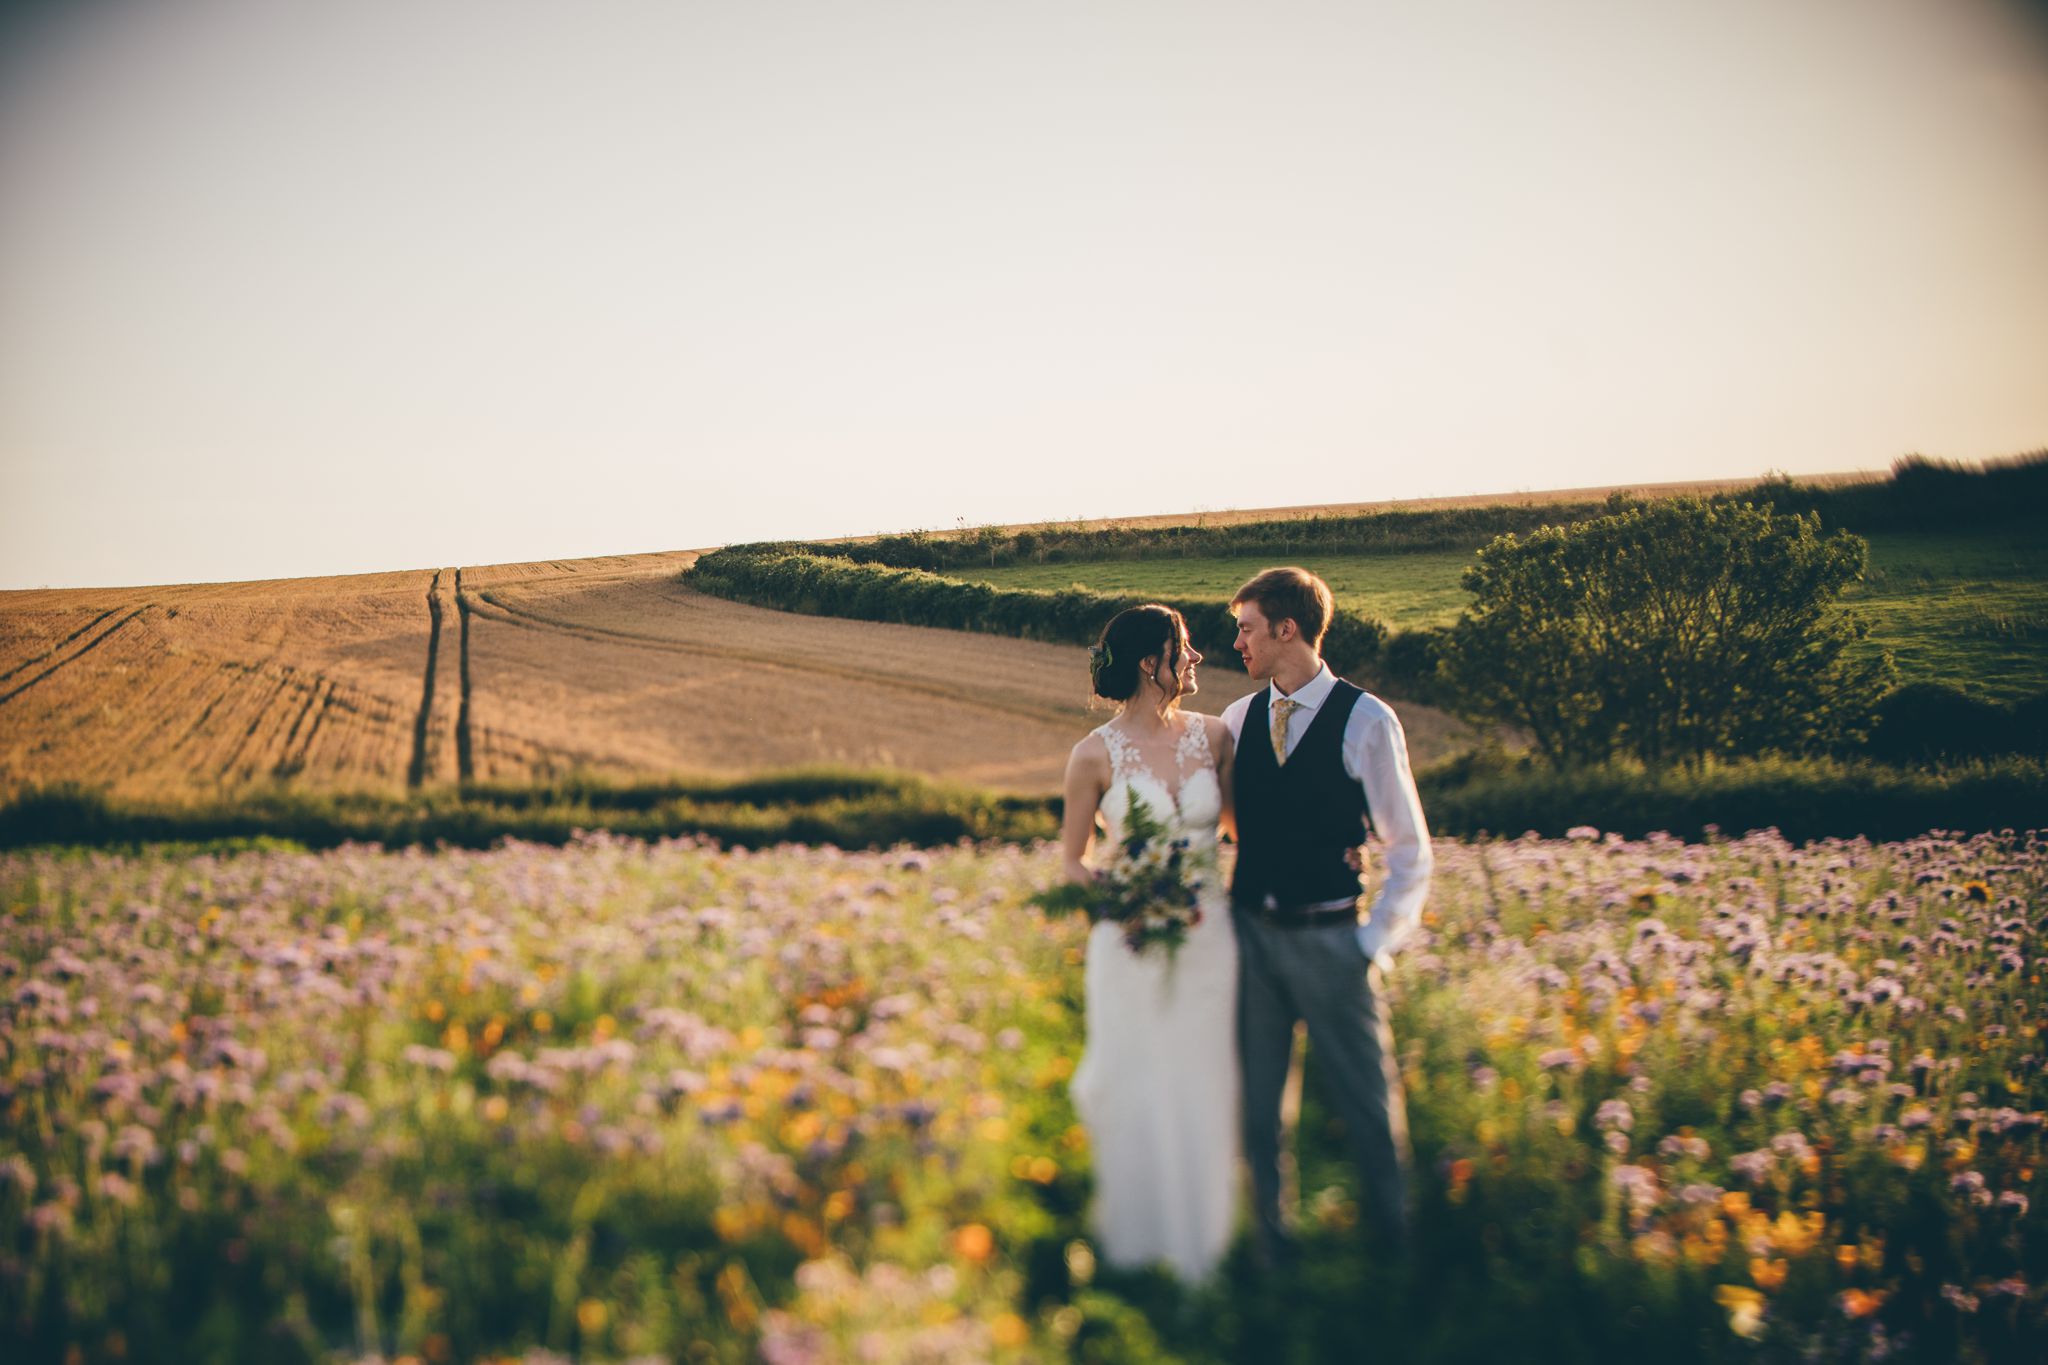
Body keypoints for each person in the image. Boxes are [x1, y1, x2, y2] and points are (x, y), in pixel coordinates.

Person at [1220, 566, 1433, 1266]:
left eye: (1246, 627)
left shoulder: (1367, 718)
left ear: (1287, 629)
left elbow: (1409, 849)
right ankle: (1273, 1258)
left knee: (1367, 1105)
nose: (1237, 642)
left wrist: (1371, 944)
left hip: (1331, 937)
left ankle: (1395, 1254)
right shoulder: (1238, 718)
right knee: (1258, 1113)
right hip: (1251, 936)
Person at [1059, 604, 1241, 1284]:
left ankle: (1210, 1248)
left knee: (1205, 1078)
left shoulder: (1218, 738)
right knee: (1136, 1076)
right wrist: (1123, 904)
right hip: (1130, 939)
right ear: (1149, 662)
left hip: (1207, 936)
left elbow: (1241, 832)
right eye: (1183, 647)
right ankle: (1136, 1250)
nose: (1195, 658)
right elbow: (1073, 863)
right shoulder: (1091, 755)